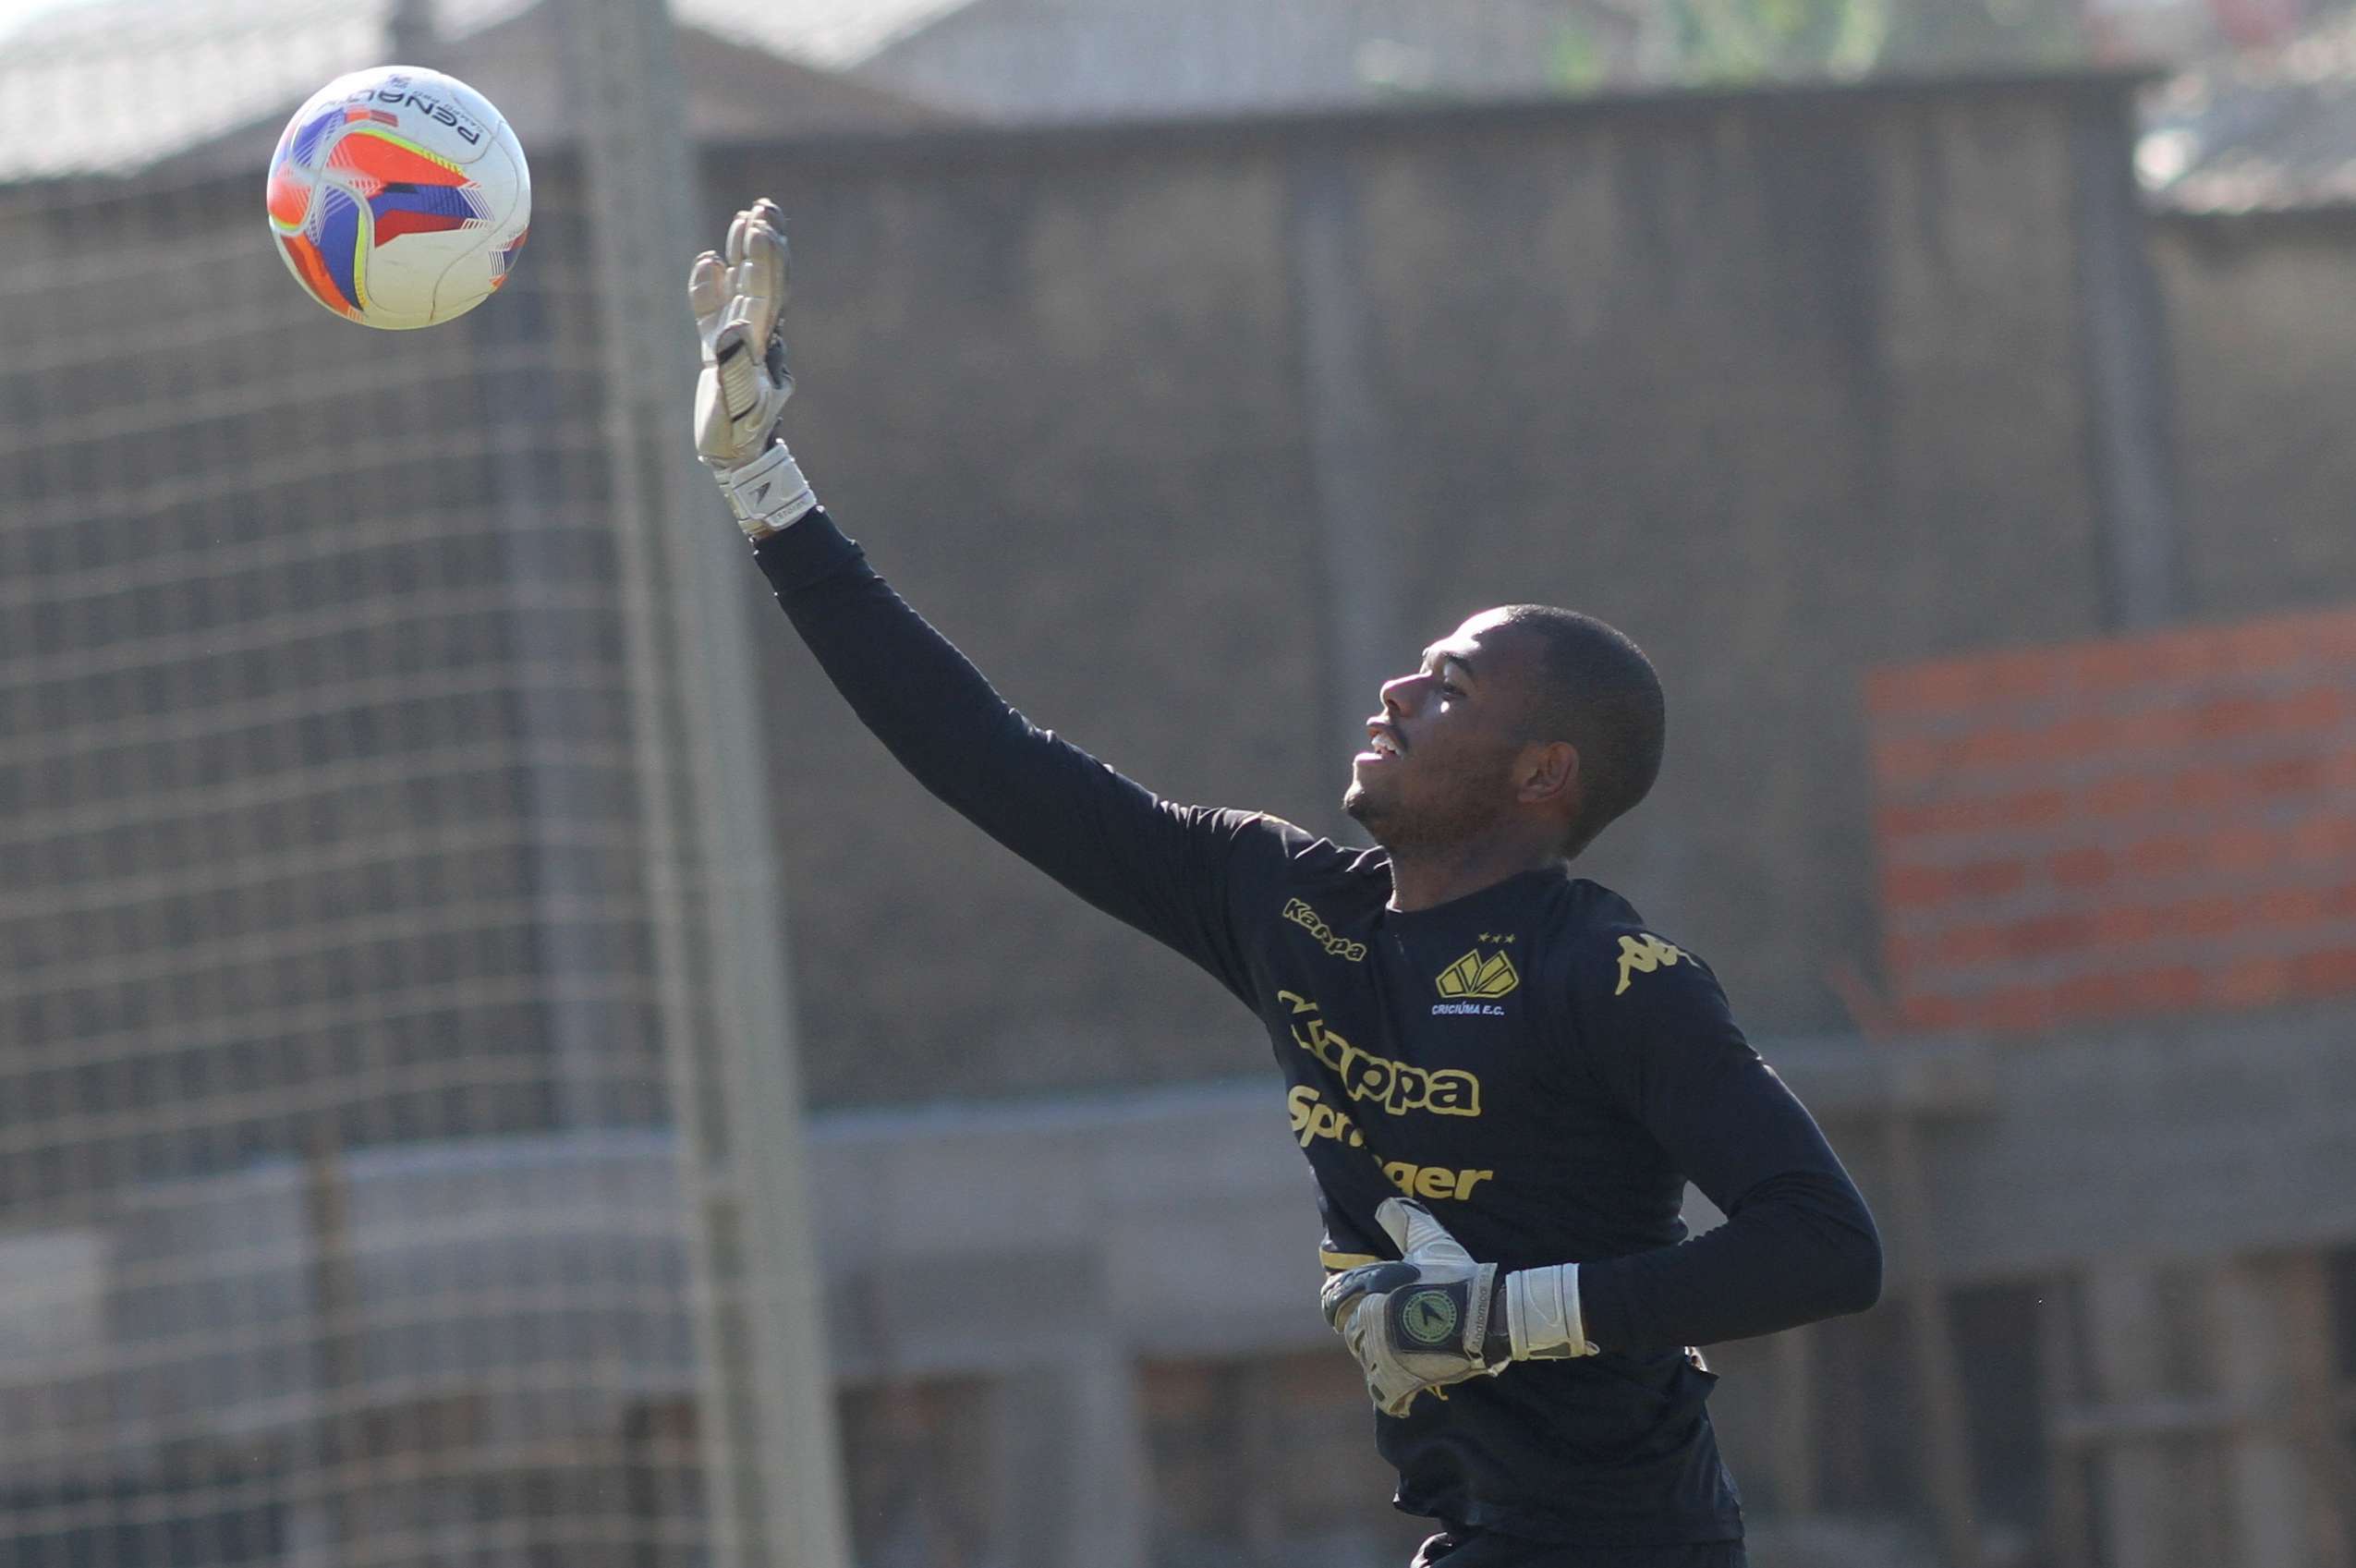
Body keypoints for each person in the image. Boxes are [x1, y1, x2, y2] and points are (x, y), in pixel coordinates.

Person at [689, 200, 1883, 1568]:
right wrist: (765, 492)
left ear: (1542, 772)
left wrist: (1506, 1314)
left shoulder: (1610, 977)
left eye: (1449, 687)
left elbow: (1825, 1247)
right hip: (1476, 1533)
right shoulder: (1281, 903)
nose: (1395, 689)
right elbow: (988, 760)